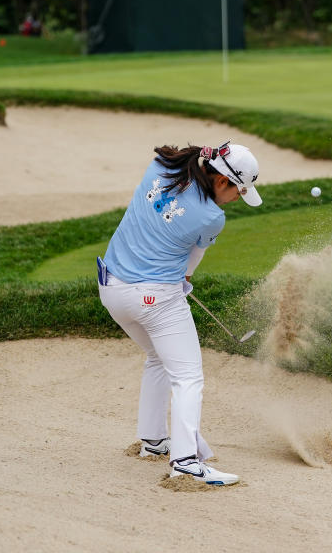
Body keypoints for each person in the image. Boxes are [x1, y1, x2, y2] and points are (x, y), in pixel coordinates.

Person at [97, 141, 261, 485]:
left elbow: (178, 154)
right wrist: (183, 279)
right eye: (239, 190)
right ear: (222, 182)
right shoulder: (212, 217)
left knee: (158, 358)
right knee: (188, 377)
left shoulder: (161, 166)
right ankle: (186, 463)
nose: (238, 198)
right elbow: (190, 264)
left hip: (111, 288)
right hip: (156, 300)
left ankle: (154, 442)